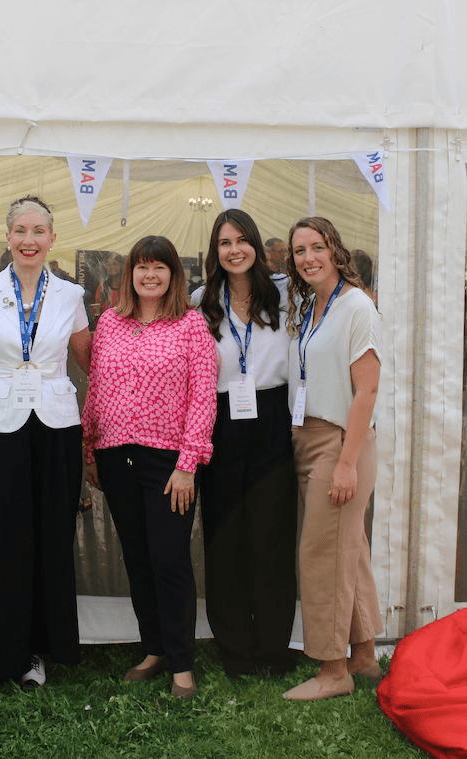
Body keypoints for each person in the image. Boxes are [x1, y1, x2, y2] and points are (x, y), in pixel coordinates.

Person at [0, 195, 92, 687]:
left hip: (55, 423)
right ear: (7, 236)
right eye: (20, 231)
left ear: (52, 238)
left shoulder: (72, 295)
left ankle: (36, 652)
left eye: (38, 231)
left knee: (48, 536)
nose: (29, 240)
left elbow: (90, 362)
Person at [82, 235, 217, 700]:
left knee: (170, 559)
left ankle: (182, 663)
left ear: (173, 274)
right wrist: (90, 449)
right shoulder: (110, 325)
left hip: (169, 462)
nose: (150, 275)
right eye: (142, 267)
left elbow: (203, 397)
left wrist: (188, 464)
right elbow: (96, 389)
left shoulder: (191, 326)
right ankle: (154, 650)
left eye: (159, 267)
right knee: (138, 560)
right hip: (116, 455)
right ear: (130, 275)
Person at [192, 209, 297, 678]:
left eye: (241, 240)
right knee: (225, 535)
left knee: (271, 534)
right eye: (224, 242)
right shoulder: (200, 300)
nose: (234, 250)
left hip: (272, 418)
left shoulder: (285, 294)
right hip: (220, 422)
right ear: (214, 252)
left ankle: (273, 647)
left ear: (255, 243)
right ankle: (234, 649)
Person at [282, 216, 383, 701]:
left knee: (321, 553)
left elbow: (366, 390)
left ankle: (332, 668)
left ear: (334, 249)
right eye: (299, 251)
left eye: (316, 247)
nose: (308, 258)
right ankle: (364, 657)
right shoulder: (308, 306)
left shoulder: (356, 305)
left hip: (341, 440)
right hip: (308, 436)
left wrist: (346, 462)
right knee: (349, 549)